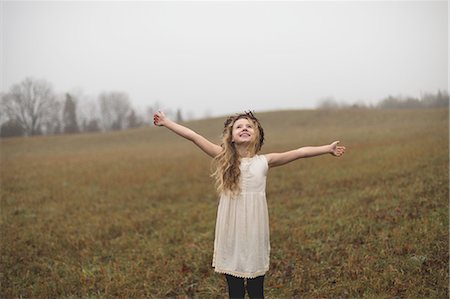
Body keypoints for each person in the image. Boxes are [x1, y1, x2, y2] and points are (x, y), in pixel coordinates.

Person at [153, 110, 346, 299]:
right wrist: (166, 122)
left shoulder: (264, 161)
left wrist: (327, 149)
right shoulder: (224, 158)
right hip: (231, 230)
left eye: (249, 126)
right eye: (239, 127)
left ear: (257, 135)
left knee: (256, 289)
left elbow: (300, 152)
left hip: (255, 229)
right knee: (235, 290)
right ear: (231, 137)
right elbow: (193, 136)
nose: (244, 128)